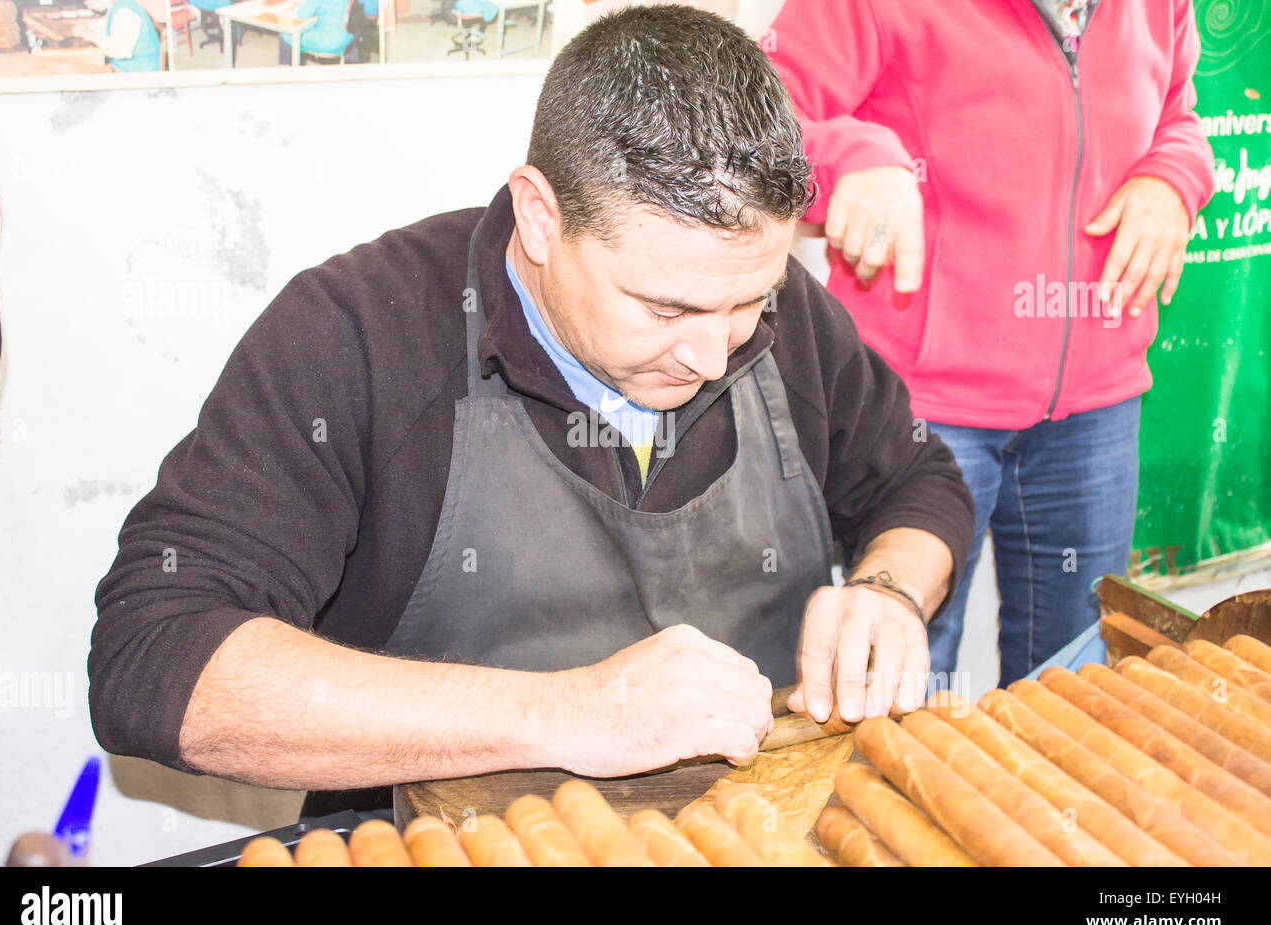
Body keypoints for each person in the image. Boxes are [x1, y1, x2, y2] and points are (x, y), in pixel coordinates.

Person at [90, 5, 973, 814]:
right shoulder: (358, 335)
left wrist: (889, 588)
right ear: (541, 218)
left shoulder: (772, 313)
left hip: (758, 827)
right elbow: (155, 655)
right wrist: (569, 711)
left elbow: (917, 479)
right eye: (666, 310)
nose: (713, 356)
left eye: (750, 305)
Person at [768, 0, 1217, 686]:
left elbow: (1177, 116)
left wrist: (1174, 179)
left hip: (1099, 406)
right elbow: (757, 118)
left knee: (1076, 688)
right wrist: (852, 156)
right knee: (899, 690)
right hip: (921, 407)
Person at [76, 0, 162, 72]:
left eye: (89, 3)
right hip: (129, 68)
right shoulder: (119, 5)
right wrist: (86, 26)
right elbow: (105, 24)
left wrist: (92, 36)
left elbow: (120, 52)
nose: (89, 8)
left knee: (73, 70)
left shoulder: (125, 12)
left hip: (140, 74)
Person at [278, 0, 352, 64]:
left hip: (329, 42)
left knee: (286, 35)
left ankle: (287, 72)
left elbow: (302, 14)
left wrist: (296, 6)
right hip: (347, 37)